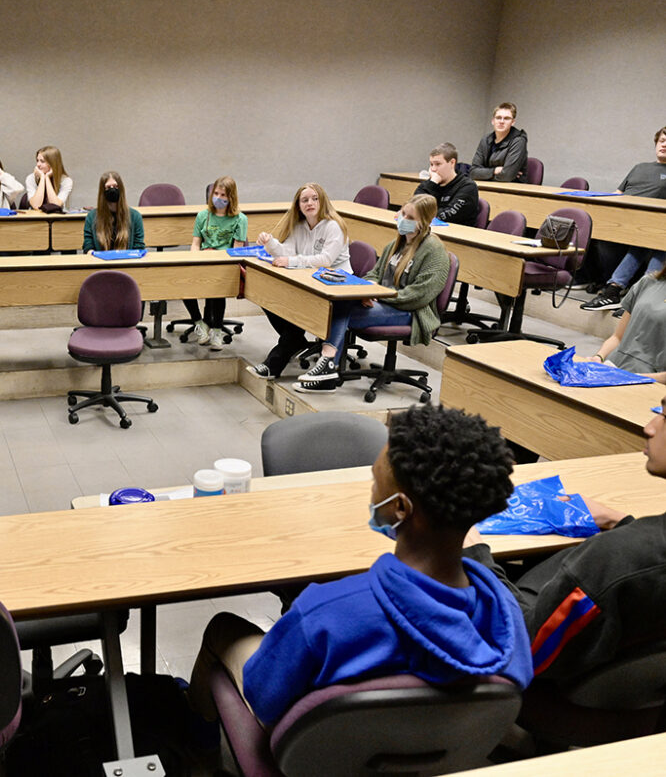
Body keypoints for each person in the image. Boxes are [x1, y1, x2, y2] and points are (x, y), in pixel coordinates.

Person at [186, 405, 533, 731]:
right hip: (441, 742)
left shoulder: (324, 611)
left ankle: (197, 748)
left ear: (399, 507)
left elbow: (265, 698)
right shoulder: (507, 616)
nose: (371, 490)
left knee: (222, 628)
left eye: (374, 480)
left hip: (320, 755)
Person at [463, 395, 666, 682]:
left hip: (557, 699)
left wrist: (477, 558)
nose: (649, 427)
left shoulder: (617, 559)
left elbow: (526, 645)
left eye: (665, 418)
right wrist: (621, 522)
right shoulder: (637, 547)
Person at [296, 194, 449, 392]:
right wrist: (367, 290)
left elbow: (420, 295)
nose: (403, 220)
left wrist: (380, 295)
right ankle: (328, 369)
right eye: (403, 214)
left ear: (425, 222)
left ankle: (327, 368)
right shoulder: (396, 244)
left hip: (412, 313)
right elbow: (374, 273)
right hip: (384, 301)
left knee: (342, 310)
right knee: (338, 305)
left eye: (410, 218)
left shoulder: (434, 251)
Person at [247, 183, 352, 378]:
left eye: (314, 198)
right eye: (304, 200)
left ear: (323, 201)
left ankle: (277, 361)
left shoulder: (334, 226)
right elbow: (287, 252)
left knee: (297, 311)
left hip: (336, 286)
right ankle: (294, 340)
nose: (309, 203)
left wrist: (292, 261)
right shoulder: (300, 226)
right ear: (298, 205)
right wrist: (270, 243)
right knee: (268, 298)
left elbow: (325, 260)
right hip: (310, 281)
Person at [580, 126, 666, 311]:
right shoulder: (640, 167)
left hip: (654, 225)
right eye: (662, 141)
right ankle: (619, 290)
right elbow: (617, 194)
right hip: (623, 220)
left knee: (648, 240)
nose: (664, 145)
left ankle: (624, 292)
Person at [185, 176, 247, 350]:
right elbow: (195, 244)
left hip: (223, 264)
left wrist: (218, 259)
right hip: (203, 259)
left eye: (223, 195)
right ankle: (200, 323)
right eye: (216, 194)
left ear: (231, 198)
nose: (218, 198)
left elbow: (236, 251)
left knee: (217, 290)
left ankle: (217, 331)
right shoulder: (202, 216)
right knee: (181, 281)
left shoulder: (240, 219)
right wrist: (194, 261)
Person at [577, 266, 666, 381]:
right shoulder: (648, 282)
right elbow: (617, 337)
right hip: (614, 366)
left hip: (650, 380)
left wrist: (634, 378)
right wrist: (599, 357)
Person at [414, 142, 480, 226]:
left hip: (456, 234)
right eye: (431, 164)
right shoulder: (430, 183)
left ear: (452, 163)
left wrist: (421, 214)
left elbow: (447, 217)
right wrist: (433, 184)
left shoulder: (468, 187)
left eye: (438, 164)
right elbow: (414, 206)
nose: (433, 169)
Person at [81, 171, 144, 253]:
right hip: (100, 263)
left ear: (121, 189)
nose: (112, 189)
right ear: (103, 191)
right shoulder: (92, 217)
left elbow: (139, 247)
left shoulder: (135, 216)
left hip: (127, 262)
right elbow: (88, 246)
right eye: (108, 187)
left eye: (115, 186)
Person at [469, 102, 528, 183]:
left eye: (506, 118)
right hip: (489, 186)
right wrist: (495, 170)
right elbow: (473, 172)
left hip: (511, 189)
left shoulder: (519, 141)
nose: (501, 121)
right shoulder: (486, 139)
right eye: (498, 117)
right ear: (493, 121)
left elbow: (507, 176)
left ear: (513, 122)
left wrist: (483, 174)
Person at [24, 145, 73, 212]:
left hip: (58, 219)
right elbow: (36, 205)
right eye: (37, 160)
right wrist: (42, 178)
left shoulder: (66, 181)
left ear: (53, 163)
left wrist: (47, 178)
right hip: (35, 218)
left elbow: (55, 205)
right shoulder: (31, 178)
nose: (38, 164)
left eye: (42, 161)